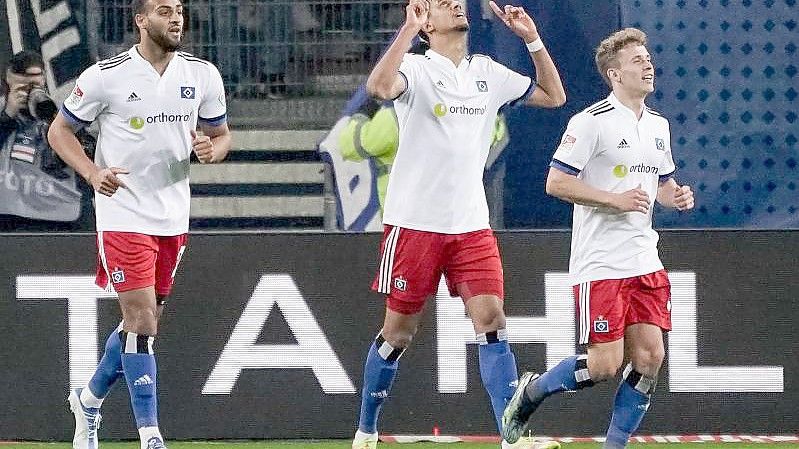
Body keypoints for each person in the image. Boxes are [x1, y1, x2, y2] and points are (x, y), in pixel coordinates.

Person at [351, 1, 566, 449]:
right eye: (441, 3)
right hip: (415, 225)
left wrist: (531, 38)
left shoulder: (487, 72)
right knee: (399, 332)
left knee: (492, 319)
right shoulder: (416, 67)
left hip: (471, 225)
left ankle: (512, 436)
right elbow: (378, 85)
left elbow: (553, 95)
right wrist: (407, 32)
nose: (456, 4)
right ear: (427, 22)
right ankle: (367, 428)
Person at [47, 0, 231, 447]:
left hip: (172, 214)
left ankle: (88, 401)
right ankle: (150, 435)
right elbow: (59, 131)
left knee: (142, 326)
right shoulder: (106, 76)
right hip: (122, 212)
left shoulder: (202, 75)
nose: (176, 19)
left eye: (181, 10)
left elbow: (221, 135)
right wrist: (93, 174)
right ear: (141, 20)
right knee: (142, 320)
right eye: (165, 10)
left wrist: (213, 150)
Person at [501, 28, 695, 449]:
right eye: (637, 60)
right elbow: (555, 182)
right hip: (601, 261)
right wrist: (613, 199)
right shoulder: (589, 122)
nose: (648, 65)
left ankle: (614, 445)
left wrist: (675, 195)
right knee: (605, 365)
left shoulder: (658, 125)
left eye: (648, 58)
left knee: (650, 357)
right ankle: (532, 390)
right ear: (614, 74)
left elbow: (660, 183)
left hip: (645, 257)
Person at [0, 50, 92, 231]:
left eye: (35, 86)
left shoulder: (66, 108)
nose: (29, 92)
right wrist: (7, 116)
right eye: (22, 87)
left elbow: (88, 156)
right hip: (10, 214)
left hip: (61, 214)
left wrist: (57, 122)